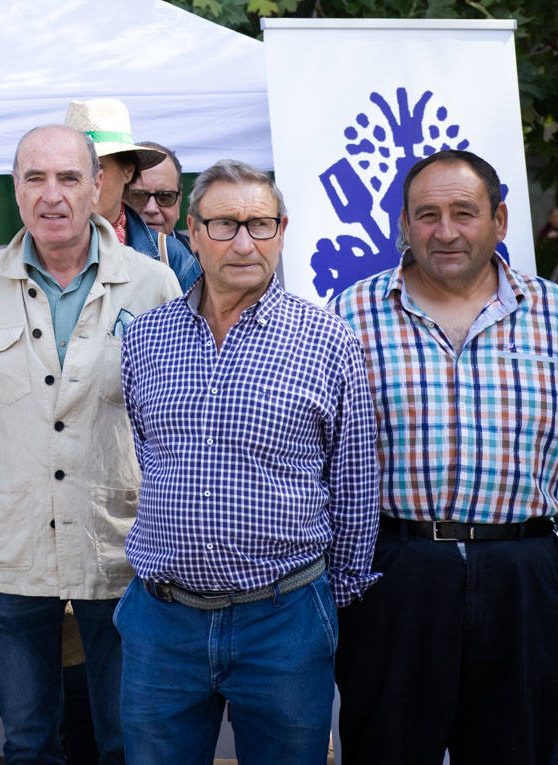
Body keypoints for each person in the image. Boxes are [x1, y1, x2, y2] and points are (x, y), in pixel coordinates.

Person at [116, 160, 380, 763]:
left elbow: (354, 483)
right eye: (225, 224)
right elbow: (144, 453)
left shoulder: (326, 338)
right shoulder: (146, 337)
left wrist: (325, 609)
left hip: (284, 619)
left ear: (282, 230)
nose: (243, 242)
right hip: (164, 620)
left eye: (260, 225)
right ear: (192, 231)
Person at [0, 124, 180, 763]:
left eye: (69, 178)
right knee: (27, 741)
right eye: (35, 178)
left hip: (122, 549)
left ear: (99, 187)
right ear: (15, 190)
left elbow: (166, 421)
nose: (53, 195)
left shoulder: (153, 284)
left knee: (127, 738)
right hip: (13, 552)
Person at [331, 149, 558, 765]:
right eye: (426, 215)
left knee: (523, 749)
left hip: (525, 571)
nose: (446, 231)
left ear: (501, 220)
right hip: (396, 573)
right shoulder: (348, 315)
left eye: (465, 212)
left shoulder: (554, 316)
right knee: (388, 749)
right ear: (403, 225)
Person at [64, 99, 201, 291]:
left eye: (96, 168)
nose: (86, 181)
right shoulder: (36, 249)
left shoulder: (170, 256)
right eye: (71, 172)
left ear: (128, 171)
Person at [125, 141, 186, 238]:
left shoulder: (199, 252)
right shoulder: (96, 252)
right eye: (138, 195)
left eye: (165, 197)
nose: (151, 209)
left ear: (179, 202)